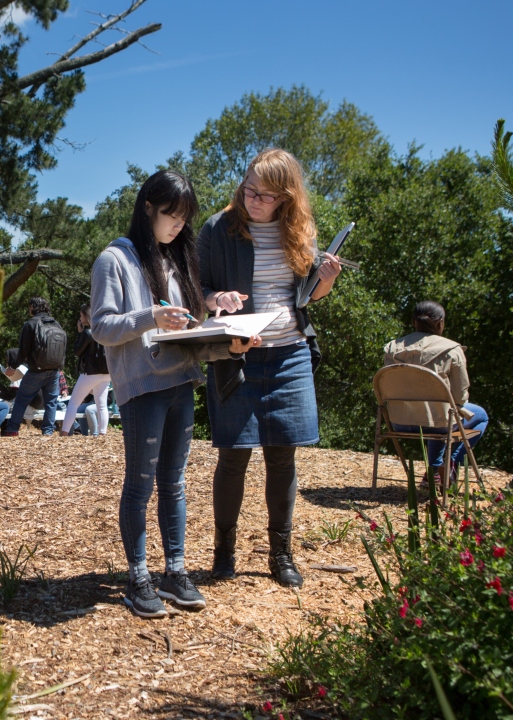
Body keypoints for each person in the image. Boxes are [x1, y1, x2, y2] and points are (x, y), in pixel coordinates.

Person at [92, 169, 258, 619]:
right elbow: (103, 327)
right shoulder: (115, 259)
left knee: (175, 482)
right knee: (141, 484)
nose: (178, 226)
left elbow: (189, 329)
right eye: (172, 216)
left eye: (185, 219)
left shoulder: (176, 258)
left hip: (182, 382)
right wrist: (150, 317)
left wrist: (221, 325)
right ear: (148, 207)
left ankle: (175, 572)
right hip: (143, 387)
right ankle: (138, 577)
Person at [197, 148, 341, 589]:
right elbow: (196, 285)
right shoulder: (218, 229)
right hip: (237, 353)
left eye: (265, 195)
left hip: (289, 353)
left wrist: (327, 281)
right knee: (234, 455)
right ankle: (224, 551)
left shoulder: (299, 231)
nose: (253, 200)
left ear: (286, 197)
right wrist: (214, 300)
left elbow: (306, 297)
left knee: (283, 457)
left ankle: (281, 553)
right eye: (248, 190)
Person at [383, 301, 489, 483]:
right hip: (438, 422)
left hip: (398, 420)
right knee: (478, 415)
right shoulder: (452, 350)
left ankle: (435, 471)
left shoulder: (392, 348)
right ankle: (447, 464)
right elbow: (460, 398)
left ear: (413, 321)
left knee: (439, 411)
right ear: (440, 323)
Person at [0, 298, 65, 437]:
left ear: (33, 307)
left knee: (21, 399)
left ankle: (12, 429)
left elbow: (23, 351)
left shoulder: (30, 324)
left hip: (36, 371)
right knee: (51, 402)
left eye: (29, 307)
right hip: (54, 370)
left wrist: (12, 367)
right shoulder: (56, 324)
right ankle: (47, 431)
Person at [60, 303, 111, 437]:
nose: (80, 317)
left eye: (81, 315)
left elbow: (77, 351)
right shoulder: (104, 330)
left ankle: (64, 432)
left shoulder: (88, 333)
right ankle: (102, 434)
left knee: (73, 403)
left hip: (90, 373)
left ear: (86, 316)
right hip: (106, 373)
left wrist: (80, 333)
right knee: (102, 404)